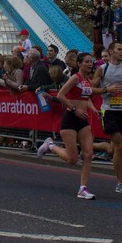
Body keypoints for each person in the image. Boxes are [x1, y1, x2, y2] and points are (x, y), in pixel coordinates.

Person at [37, 51, 100, 199]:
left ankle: (83, 188)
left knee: (89, 153)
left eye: (91, 62)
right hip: (70, 119)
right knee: (73, 159)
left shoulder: (87, 81)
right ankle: (50, 146)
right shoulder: (75, 78)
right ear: (79, 64)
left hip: (82, 120)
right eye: (86, 62)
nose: (90, 64)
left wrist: (93, 109)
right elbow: (60, 95)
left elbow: (86, 98)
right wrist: (74, 109)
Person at [94, 42, 122, 194]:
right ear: (111, 51)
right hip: (108, 111)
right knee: (120, 146)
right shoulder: (103, 69)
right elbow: (91, 88)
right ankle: (120, 183)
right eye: (119, 49)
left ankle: (87, 145)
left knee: (112, 149)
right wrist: (107, 89)